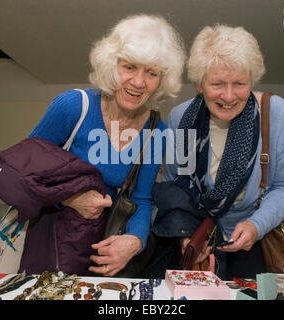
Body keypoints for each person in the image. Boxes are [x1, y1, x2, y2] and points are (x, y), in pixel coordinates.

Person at [28, 14, 185, 276]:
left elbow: (141, 198)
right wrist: (68, 198)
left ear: (162, 80)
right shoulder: (72, 107)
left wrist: (135, 241)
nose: (138, 82)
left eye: (152, 73)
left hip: (106, 257)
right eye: (130, 67)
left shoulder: (157, 129)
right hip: (52, 247)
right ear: (112, 66)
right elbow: (25, 172)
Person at [149, 23, 284, 280]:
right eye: (217, 84)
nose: (229, 96)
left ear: (251, 81)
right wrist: (187, 235)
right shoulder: (180, 118)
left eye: (240, 83)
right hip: (197, 234)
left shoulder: (275, 113)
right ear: (199, 84)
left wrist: (256, 225)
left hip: (256, 238)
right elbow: (175, 186)